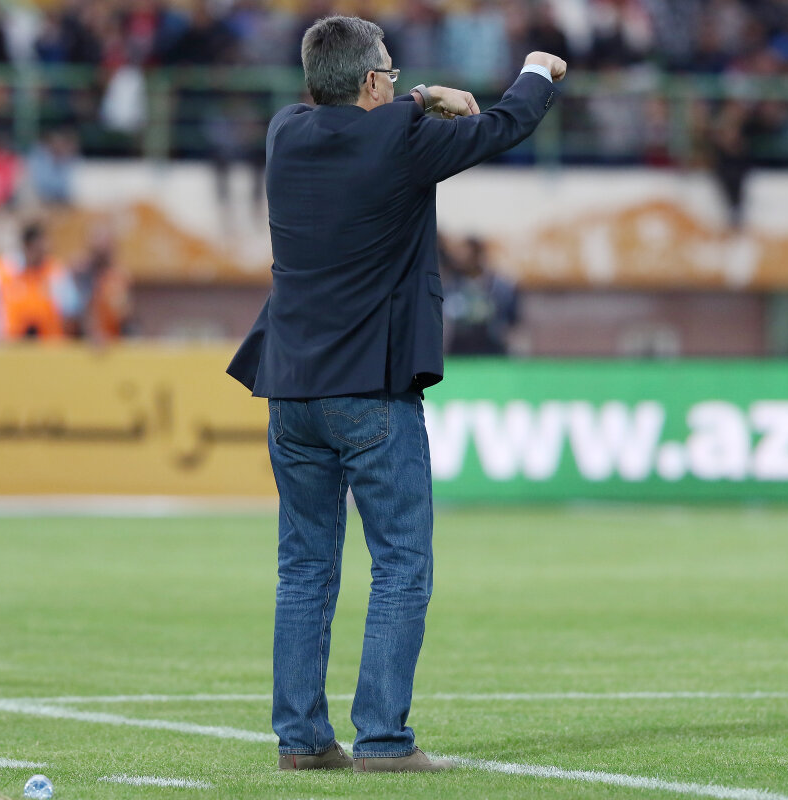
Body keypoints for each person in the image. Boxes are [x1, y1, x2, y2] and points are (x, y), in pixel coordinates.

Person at [227, 15, 563, 773]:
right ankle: (382, 738)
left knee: (303, 568)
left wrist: (418, 96)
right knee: (402, 562)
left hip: (290, 388)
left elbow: (359, 114)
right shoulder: (401, 142)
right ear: (375, 80)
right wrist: (537, 69)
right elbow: (504, 124)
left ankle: (302, 740)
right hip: (371, 388)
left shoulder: (284, 134)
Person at [0, 222, 81, 341]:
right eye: (38, 250)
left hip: (49, 346)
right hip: (7, 346)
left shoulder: (55, 272)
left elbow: (72, 310)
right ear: (27, 246)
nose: (42, 256)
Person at [442, 236, 520, 355]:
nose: (462, 259)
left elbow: (511, 317)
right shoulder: (450, 285)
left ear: (478, 255)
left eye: (467, 254)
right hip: (460, 348)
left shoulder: (499, 285)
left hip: (491, 346)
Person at [71, 224, 133, 343]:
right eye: (98, 241)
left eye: (106, 243)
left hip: (113, 342)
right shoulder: (80, 273)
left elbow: (123, 313)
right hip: (80, 343)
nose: (102, 247)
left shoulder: (118, 276)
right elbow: (77, 308)